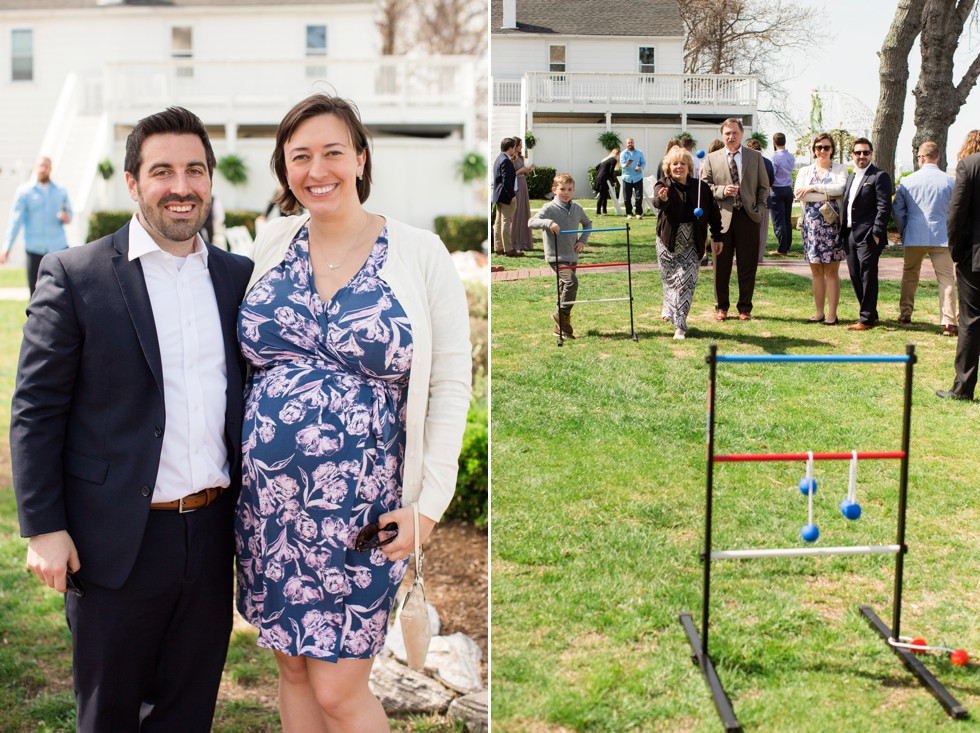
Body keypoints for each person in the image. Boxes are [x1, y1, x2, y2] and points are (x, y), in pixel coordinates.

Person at [10, 107, 254, 732]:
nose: (181, 186)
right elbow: (36, 411)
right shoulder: (75, 275)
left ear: (210, 179)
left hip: (210, 536)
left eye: (194, 170)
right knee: (110, 713)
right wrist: (43, 528)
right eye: (162, 171)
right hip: (112, 540)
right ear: (132, 182)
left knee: (187, 710)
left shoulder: (238, 278)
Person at [236, 94, 472, 731]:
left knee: (341, 691)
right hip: (270, 512)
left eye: (333, 152)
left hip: (360, 515)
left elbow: (452, 382)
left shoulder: (418, 253)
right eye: (300, 156)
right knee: (291, 672)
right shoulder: (270, 246)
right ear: (285, 170)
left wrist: (429, 508)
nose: (319, 169)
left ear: (361, 158)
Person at [700, 118, 770, 321]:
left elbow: (764, 187)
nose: (731, 137)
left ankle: (745, 308)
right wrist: (722, 190)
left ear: (742, 134)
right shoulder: (712, 158)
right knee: (721, 265)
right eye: (727, 133)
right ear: (722, 135)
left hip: (749, 217)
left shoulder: (755, 157)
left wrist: (760, 208)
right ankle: (721, 307)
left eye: (735, 133)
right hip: (721, 219)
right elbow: (705, 188)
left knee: (748, 265)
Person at [654, 146, 723, 339]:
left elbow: (714, 213)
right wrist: (663, 198)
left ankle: (680, 325)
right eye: (675, 163)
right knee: (669, 280)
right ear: (669, 167)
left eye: (683, 163)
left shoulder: (701, 187)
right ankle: (668, 305)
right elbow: (658, 202)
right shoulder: (663, 184)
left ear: (689, 166)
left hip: (692, 241)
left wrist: (717, 236)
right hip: (667, 241)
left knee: (686, 282)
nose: (679, 167)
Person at [892, 141, 958, 336]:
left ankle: (905, 313)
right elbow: (955, 210)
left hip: (914, 233)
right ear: (938, 157)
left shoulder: (907, 181)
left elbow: (897, 209)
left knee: (910, 274)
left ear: (920, 158)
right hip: (941, 235)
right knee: (946, 278)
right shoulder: (950, 181)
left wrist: (904, 229)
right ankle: (948, 321)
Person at [937, 130, 980, 400]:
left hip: (974, 258)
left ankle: (963, 389)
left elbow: (956, 213)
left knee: (971, 321)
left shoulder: (969, 165)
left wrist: (956, 251)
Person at [794, 132, 848, 325]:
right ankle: (818, 312)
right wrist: (825, 193)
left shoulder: (840, 169)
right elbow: (800, 194)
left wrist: (812, 188)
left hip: (832, 227)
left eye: (826, 147)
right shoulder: (805, 171)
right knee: (816, 271)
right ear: (814, 150)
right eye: (819, 148)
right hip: (812, 227)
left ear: (832, 149)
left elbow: (840, 189)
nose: (822, 151)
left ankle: (832, 314)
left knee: (831, 272)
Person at [838, 137, 892, 331]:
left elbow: (884, 207)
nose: (862, 156)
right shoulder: (852, 177)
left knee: (868, 275)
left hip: (869, 235)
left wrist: (876, 232)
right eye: (858, 153)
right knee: (855, 275)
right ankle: (871, 313)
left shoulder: (879, 176)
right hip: (850, 234)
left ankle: (866, 318)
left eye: (866, 152)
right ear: (852, 155)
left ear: (871, 154)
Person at [530, 173, 592, 339]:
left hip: (572, 254)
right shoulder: (549, 208)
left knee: (564, 289)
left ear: (573, 190)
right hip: (556, 256)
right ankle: (560, 314)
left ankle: (561, 328)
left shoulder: (577, 208)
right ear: (554, 190)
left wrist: (582, 241)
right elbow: (531, 222)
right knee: (571, 283)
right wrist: (548, 223)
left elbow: (588, 223)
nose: (566, 192)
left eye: (569, 189)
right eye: (562, 189)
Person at [1, 155, 72, 295]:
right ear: (35, 168)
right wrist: (7, 247)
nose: (42, 169)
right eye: (40, 166)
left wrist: (65, 217)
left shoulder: (60, 191)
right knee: (35, 295)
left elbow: (69, 216)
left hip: (59, 249)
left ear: (50, 168)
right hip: (35, 251)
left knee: (63, 293)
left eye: (46, 166)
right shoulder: (24, 192)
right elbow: (15, 221)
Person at [745, 138, 775, 263]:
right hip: (764, 199)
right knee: (762, 230)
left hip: (748, 199)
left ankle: (744, 254)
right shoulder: (767, 162)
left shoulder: (745, 161)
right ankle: (759, 256)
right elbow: (771, 181)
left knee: (746, 229)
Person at [768, 132, 796, 256]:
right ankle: (787, 245)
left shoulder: (774, 157)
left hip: (777, 190)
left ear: (774, 142)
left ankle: (782, 249)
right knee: (787, 220)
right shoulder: (791, 156)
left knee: (778, 222)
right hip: (788, 189)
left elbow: (771, 174)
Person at [493, 137, 521, 257]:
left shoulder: (498, 158)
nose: (515, 150)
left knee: (499, 222)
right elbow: (506, 181)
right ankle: (508, 249)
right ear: (510, 148)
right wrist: (512, 195)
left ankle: (498, 247)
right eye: (514, 147)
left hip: (498, 196)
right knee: (506, 221)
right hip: (506, 196)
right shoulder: (505, 160)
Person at [510, 136, 535, 250]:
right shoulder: (511, 158)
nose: (521, 147)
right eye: (520, 145)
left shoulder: (520, 157)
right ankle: (515, 241)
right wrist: (521, 170)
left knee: (524, 211)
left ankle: (524, 241)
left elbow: (522, 173)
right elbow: (510, 174)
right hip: (517, 186)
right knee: (517, 213)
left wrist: (529, 170)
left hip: (523, 184)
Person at [620, 138, 646, 219]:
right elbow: (622, 165)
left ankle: (638, 213)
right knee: (627, 197)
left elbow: (643, 162)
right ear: (626, 144)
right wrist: (626, 164)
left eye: (631, 142)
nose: (630, 144)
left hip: (637, 177)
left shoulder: (639, 152)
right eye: (628, 143)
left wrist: (641, 168)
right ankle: (629, 213)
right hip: (627, 177)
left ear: (633, 143)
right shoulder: (623, 153)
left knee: (639, 196)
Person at [594, 148, 619, 216]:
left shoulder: (606, 159)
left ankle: (604, 212)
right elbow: (611, 172)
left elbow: (596, 167)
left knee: (604, 195)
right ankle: (598, 212)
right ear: (617, 155)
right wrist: (614, 181)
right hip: (603, 179)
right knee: (602, 196)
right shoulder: (613, 160)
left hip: (599, 178)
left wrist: (603, 171)